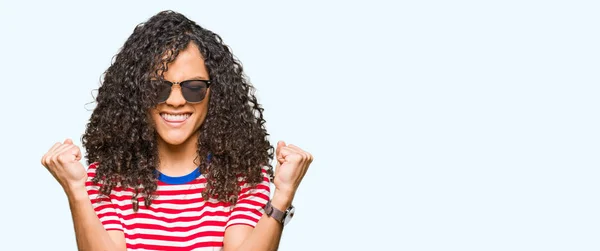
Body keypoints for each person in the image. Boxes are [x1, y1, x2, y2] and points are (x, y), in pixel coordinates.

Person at [40, 10, 313, 251]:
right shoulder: (108, 181)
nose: (175, 100)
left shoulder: (244, 178)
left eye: (193, 87)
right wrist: (76, 190)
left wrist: (282, 194)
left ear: (214, 93)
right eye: (157, 87)